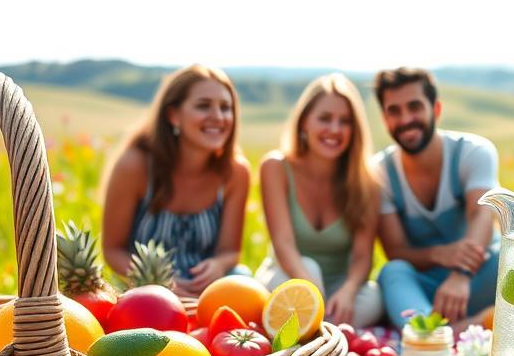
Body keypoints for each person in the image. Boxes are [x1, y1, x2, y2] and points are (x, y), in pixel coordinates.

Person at [101, 64, 251, 297]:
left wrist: (218, 265)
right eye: (204, 106)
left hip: (205, 290)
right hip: (142, 289)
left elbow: (230, 252)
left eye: (226, 108)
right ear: (173, 115)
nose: (218, 117)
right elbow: (113, 250)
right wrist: (160, 284)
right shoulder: (135, 166)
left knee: (242, 277)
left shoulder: (235, 172)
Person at [372, 67, 499, 329]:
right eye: (394, 111)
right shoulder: (380, 172)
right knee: (392, 272)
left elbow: (481, 216)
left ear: (436, 109)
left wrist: (460, 275)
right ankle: (452, 330)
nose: (406, 118)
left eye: (415, 106)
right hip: (428, 291)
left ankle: (433, 335)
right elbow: (395, 250)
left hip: (479, 277)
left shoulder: (472, 152)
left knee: (509, 257)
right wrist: (439, 254)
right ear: (384, 119)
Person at [255, 74, 383, 328]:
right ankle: (326, 332)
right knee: (308, 267)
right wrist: (312, 294)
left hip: (338, 290)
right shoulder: (276, 167)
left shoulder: (367, 181)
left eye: (345, 121)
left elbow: (361, 257)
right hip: (287, 276)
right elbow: (283, 245)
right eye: (324, 118)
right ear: (304, 123)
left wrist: (347, 291)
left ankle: (317, 332)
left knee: (374, 298)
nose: (335, 130)